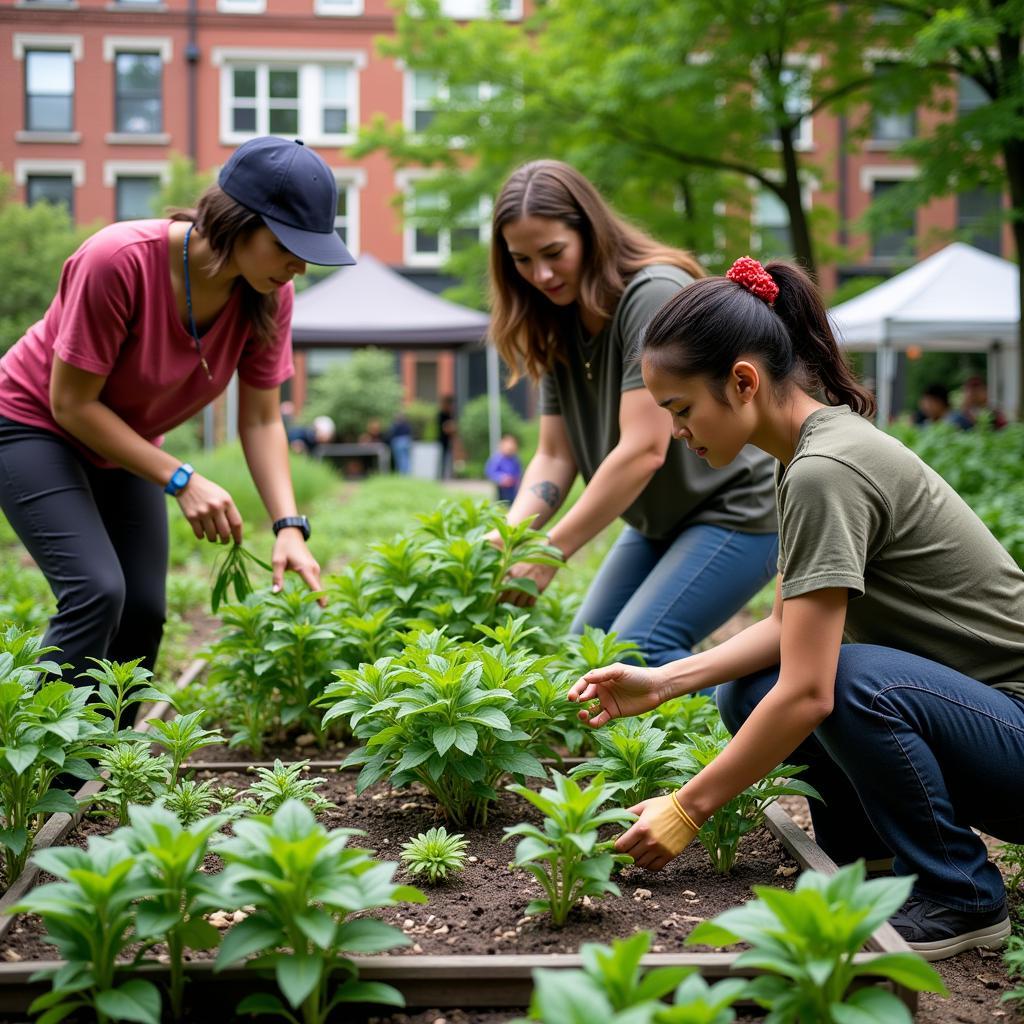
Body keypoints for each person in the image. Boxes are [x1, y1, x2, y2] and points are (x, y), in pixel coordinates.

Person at [568, 256, 1024, 961]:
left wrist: (688, 807)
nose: (679, 433)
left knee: (835, 682)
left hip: (1013, 734)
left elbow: (812, 690)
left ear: (743, 381)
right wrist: (661, 682)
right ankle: (869, 858)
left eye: (682, 411)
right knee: (748, 689)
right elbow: (786, 629)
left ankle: (960, 895)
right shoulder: (806, 455)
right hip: (988, 730)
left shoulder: (824, 472)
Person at [0, 136, 355, 681]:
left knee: (143, 610)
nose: (299, 268)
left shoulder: (267, 294)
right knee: (97, 591)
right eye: (289, 245)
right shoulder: (116, 261)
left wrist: (289, 526)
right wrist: (182, 478)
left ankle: (103, 763)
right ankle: (41, 760)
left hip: (126, 443)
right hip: (33, 425)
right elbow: (71, 403)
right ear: (240, 220)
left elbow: (261, 418)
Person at [487, 160, 778, 666]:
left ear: (591, 232)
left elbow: (644, 450)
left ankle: (778, 728)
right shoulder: (555, 320)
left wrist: (551, 553)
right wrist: (514, 539)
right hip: (658, 519)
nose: (542, 274)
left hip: (736, 506)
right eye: (523, 260)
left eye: (554, 253)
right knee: (587, 656)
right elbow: (555, 455)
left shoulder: (650, 294)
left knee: (638, 650)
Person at [485, 432, 523, 503]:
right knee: (501, 501)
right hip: (501, 486)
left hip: (513, 486)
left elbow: (518, 471)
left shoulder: (515, 459)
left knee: (513, 501)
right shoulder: (497, 458)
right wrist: (501, 478)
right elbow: (490, 471)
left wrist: (517, 480)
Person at [437, 395, 457, 479]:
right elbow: (445, 428)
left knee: (448, 458)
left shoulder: (450, 414)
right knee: (442, 459)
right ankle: (442, 476)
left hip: (448, 441)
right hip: (442, 441)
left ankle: (447, 476)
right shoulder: (441, 415)